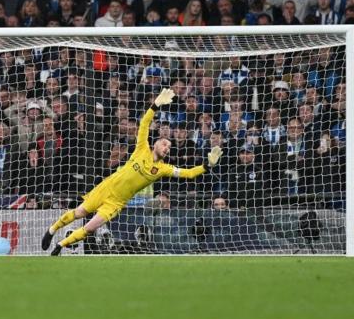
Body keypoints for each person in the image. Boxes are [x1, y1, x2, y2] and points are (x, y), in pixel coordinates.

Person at [41, 89, 222, 255]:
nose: (167, 148)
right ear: (156, 143)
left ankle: (59, 246)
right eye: (165, 143)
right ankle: (51, 231)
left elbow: (188, 174)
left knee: (89, 227)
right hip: (107, 187)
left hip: (116, 203)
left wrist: (207, 165)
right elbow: (144, 123)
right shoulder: (142, 148)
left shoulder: (162, 169)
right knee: (79, 212)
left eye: (169, 147)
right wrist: (155, 105)